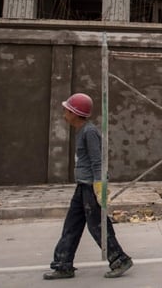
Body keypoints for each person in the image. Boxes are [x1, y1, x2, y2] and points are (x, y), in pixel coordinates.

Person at [44, 92, 134, 280]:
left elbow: (97, 160)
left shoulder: (89, 132)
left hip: (90, 187)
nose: (64, 113)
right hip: (82, 186)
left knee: (98, 226)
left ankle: (119, 259)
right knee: (72, 225)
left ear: (75, 113)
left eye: (67, 110)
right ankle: (63, 264)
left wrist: (99, 186)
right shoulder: (82, 131)